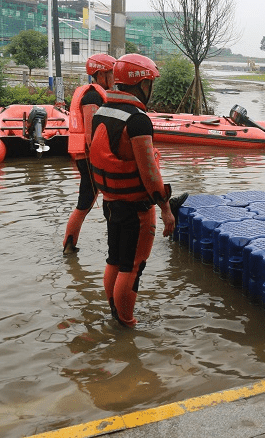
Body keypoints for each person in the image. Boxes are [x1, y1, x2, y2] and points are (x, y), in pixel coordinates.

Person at [88, 53, 184, 327]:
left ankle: (114, 313)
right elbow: (150, 174)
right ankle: (126, 325)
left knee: (115, 260)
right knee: (133, 267)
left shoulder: (102, 112)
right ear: (143, 84)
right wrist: (166, 210)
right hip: (136, 209)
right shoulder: (138, 120)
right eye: (150, 82)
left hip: (111, 202)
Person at [63, 53, 116, 254]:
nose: (113, 78)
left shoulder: (94, 93)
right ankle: (68, 246)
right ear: (101, 74)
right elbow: (91, 134)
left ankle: (70, 245)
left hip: (87, 158)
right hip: (90, 159)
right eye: (111, 73)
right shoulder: (93, 96)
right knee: (85, 204)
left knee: (87, 202)